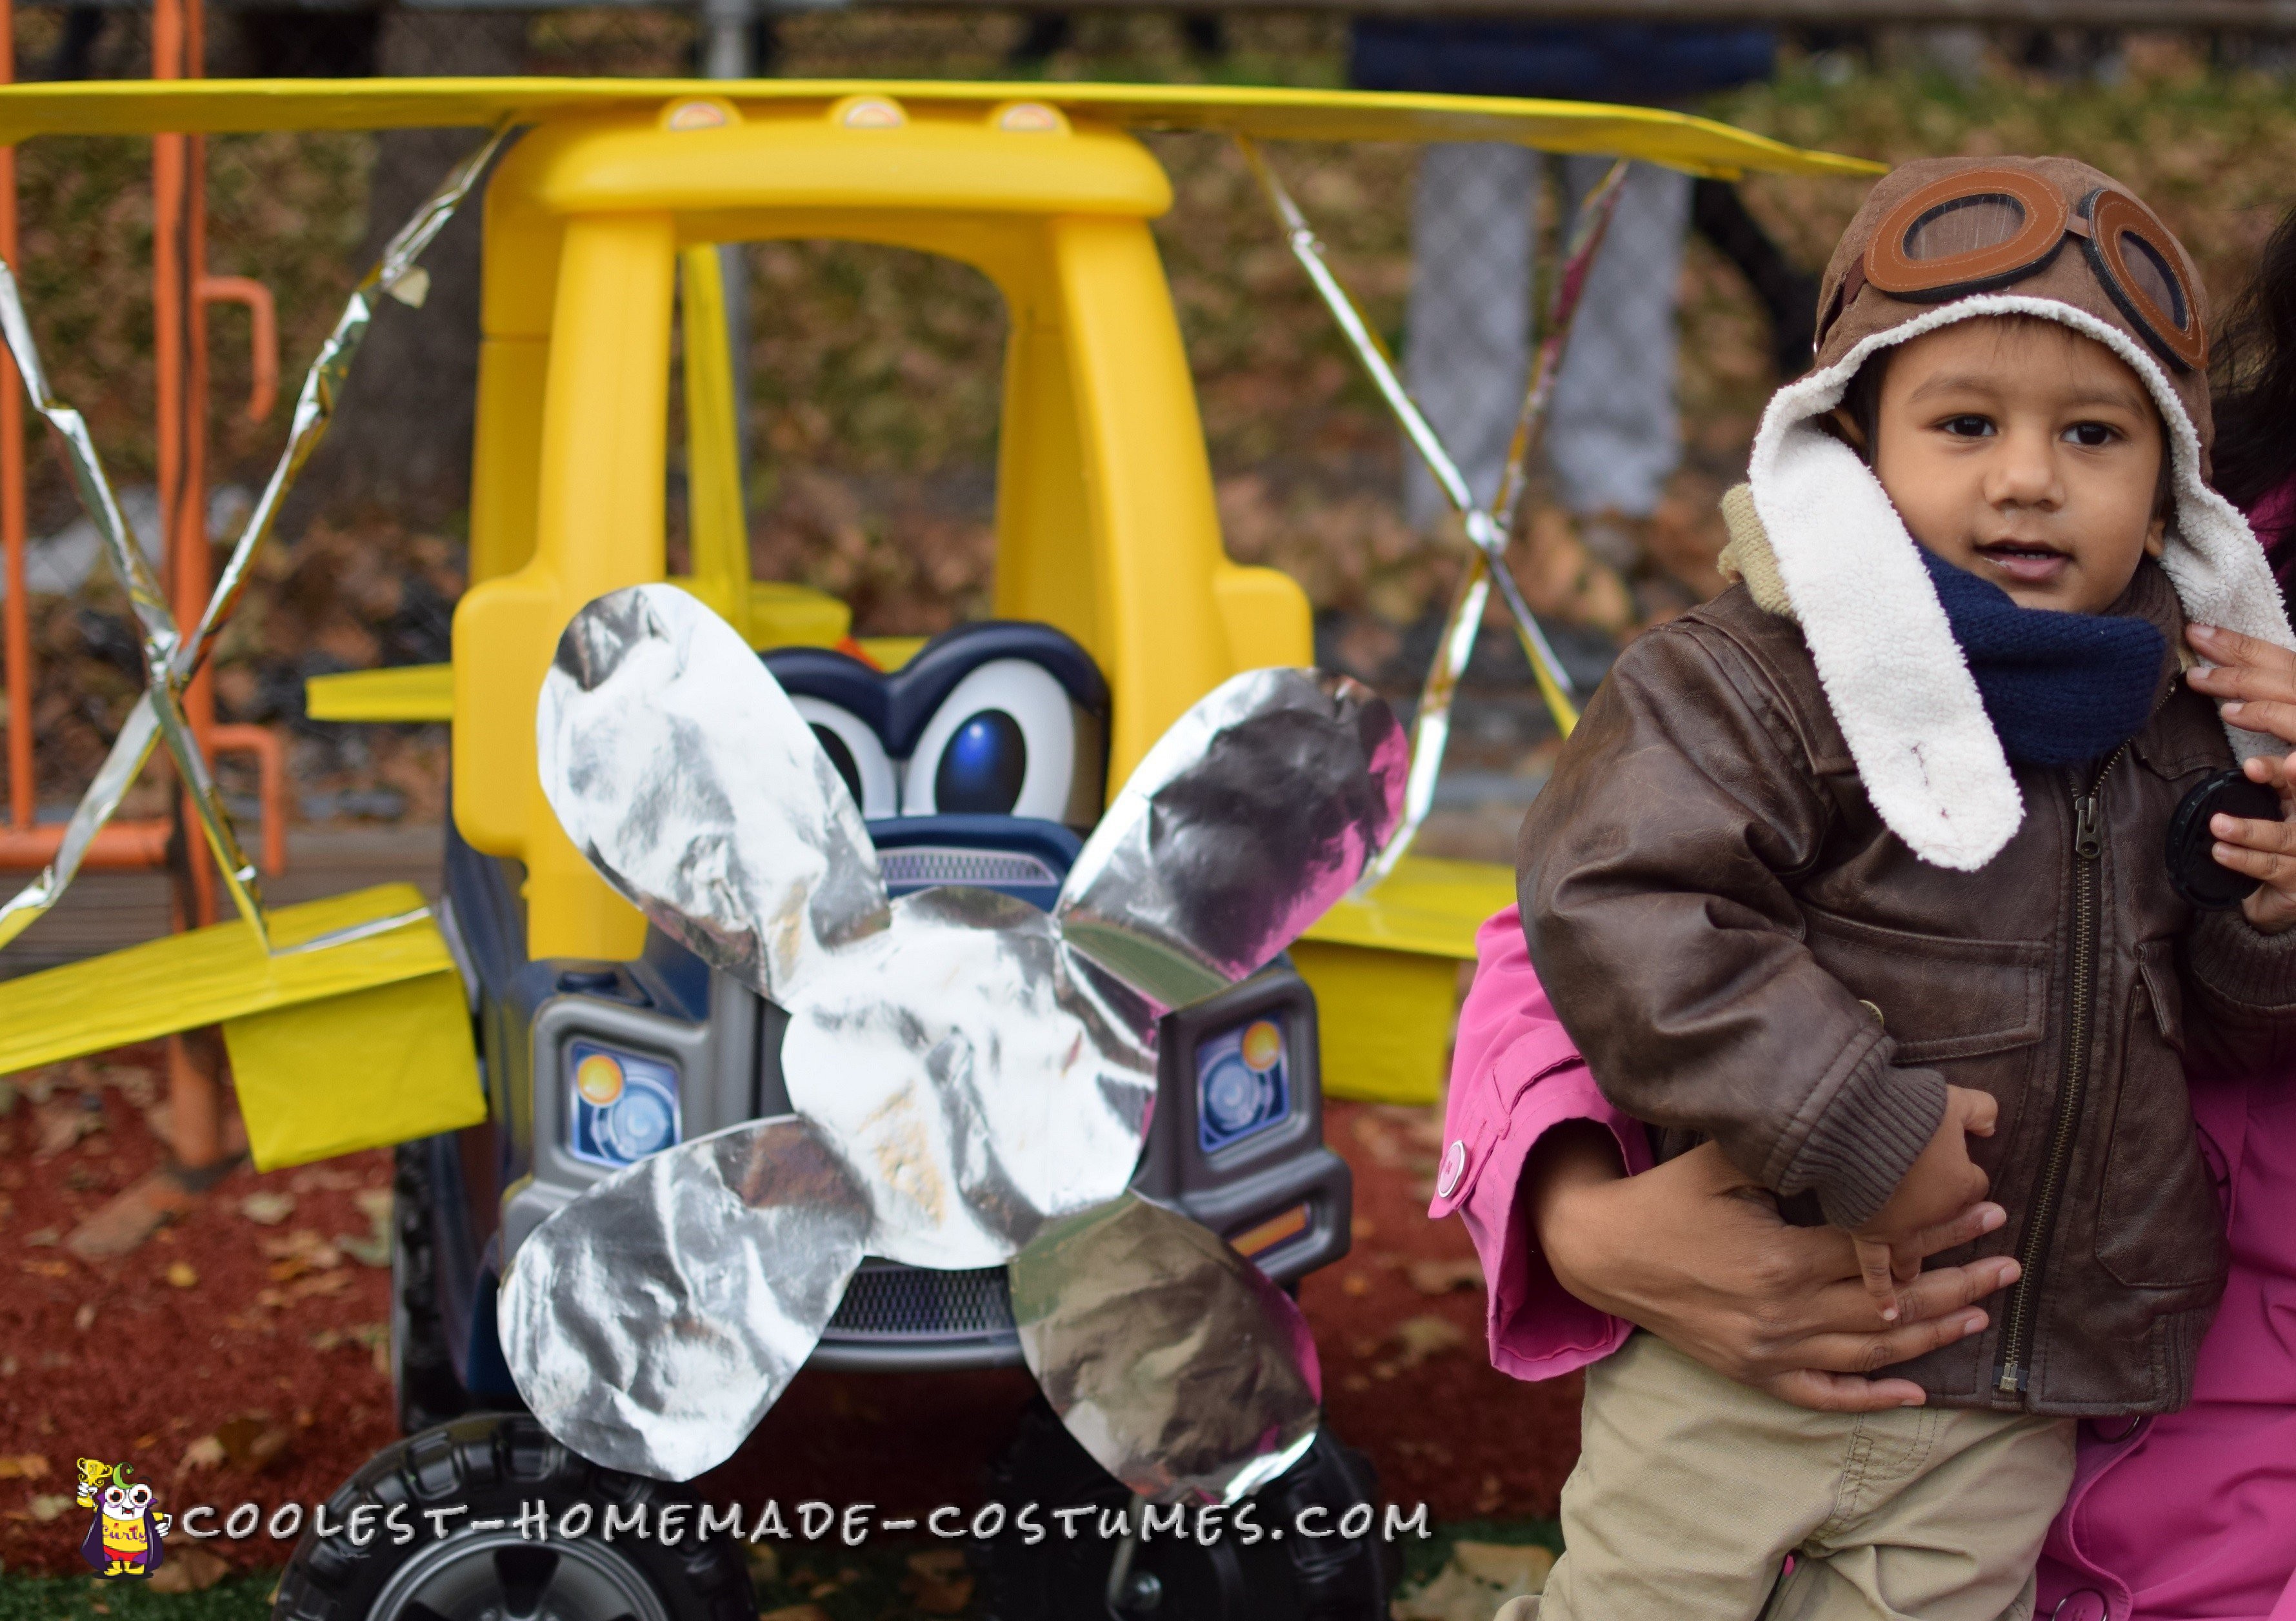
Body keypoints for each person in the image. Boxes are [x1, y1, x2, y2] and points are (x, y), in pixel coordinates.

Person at [1486, 155, 2296, 1620]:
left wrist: (2269, 926)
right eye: (1966, 424)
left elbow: (2213, 1028)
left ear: (2169, 484)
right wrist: (1846, 1110)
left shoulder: (2191, 713)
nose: (2028, 477)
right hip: (1769, 1337)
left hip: (2016, 1379)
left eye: (2094, 434)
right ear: (1851, 447)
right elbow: (1618, 899)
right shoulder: (1759, 677)